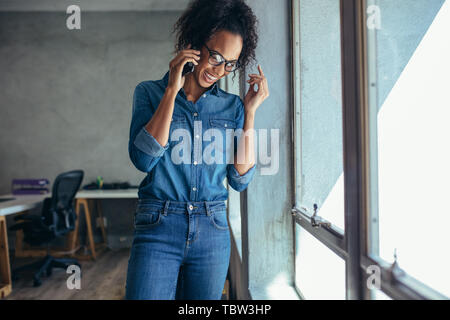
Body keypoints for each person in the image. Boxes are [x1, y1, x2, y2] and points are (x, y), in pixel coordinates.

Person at [125, 0, 269, 300]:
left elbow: (240, 180)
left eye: (230, 63)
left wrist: (250, 112)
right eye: (216, 56)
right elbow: (143, 159)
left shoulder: (232, 108)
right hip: (157, 227)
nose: (220, 70)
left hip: (212, 229)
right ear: (194, 43)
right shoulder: (149, 93)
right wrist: (171, 91)